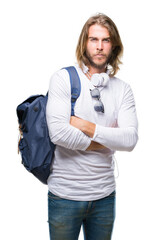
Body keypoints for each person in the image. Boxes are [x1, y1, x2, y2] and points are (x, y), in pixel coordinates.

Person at [46, 13, 138, 240]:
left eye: (105, 40)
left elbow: (130, 139)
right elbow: (58, 133)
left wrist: (85, 126)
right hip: (65, 196)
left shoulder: (122, 89)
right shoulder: (63, 78)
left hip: (105, 196)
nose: (99, 47)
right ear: (84, 44)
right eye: (93, 40)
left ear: (113, 45)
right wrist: (106, 141)